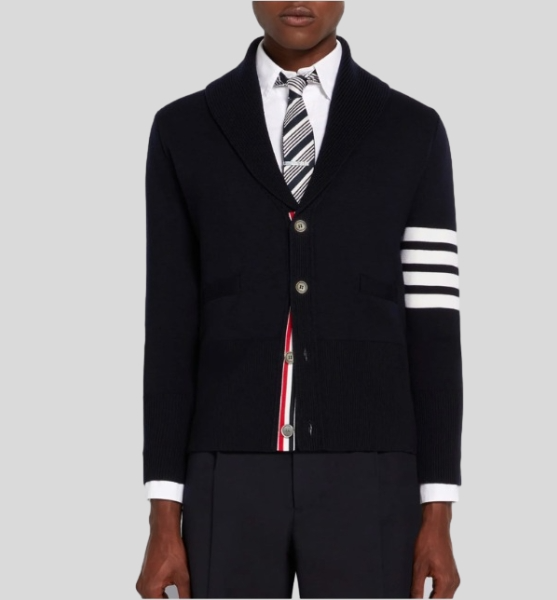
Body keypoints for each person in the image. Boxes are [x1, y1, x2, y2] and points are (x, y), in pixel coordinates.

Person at [136, 2, 463, 598]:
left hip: (372, 471)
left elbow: (435, 323)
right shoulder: (185, 129)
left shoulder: (411, 128)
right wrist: (163, 515)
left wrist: (438, 510)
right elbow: (168, 325)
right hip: (225, 472)